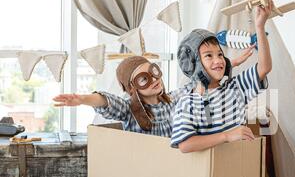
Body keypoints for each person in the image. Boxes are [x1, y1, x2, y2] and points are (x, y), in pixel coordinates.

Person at [53, 50, 254, 136]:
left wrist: (228, 63)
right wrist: (83, 99)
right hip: (147, 170)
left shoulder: (174, 100)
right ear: (132, 88)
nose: (154, 80)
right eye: (143, 79)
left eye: (154, 73)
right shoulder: (129, 110)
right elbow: (108, 102)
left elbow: (199, 81)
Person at [171, 0, 273, 152]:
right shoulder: (187, 103)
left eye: (220, 54)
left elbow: (264, 68)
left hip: (238, 166)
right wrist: (226, 136)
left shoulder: (234, 88)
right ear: (195, 64)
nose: (218, 60)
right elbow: (185, 145)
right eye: (209, 56)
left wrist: (260, 26)